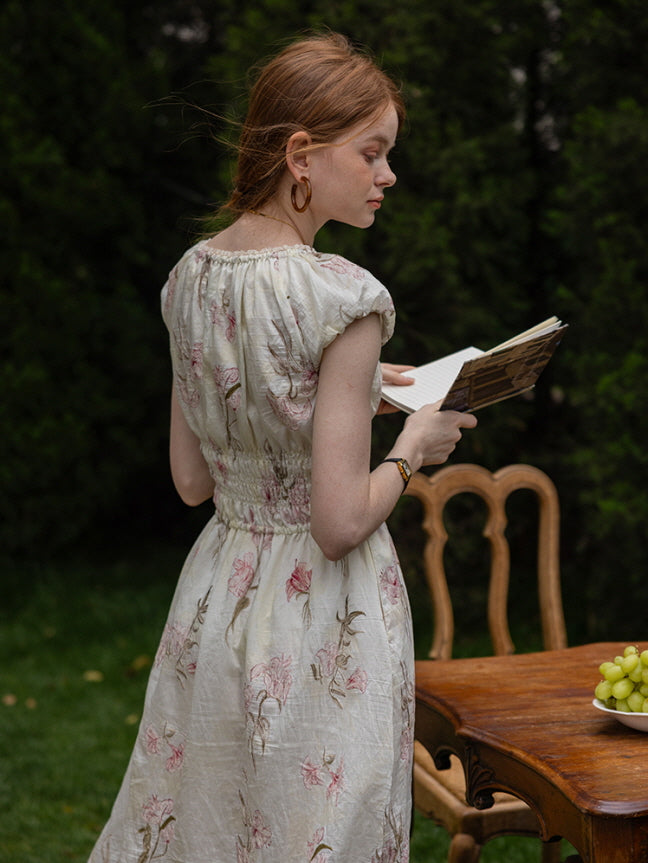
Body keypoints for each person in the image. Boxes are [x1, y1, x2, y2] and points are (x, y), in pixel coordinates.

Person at [88, 31, 476, 863]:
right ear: (302, 154)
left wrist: (362, 390)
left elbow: (192, 479)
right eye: (372, 153)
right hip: (326, 613)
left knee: (215, 827)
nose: (388, 174)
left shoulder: (190, 277)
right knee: (316, 834)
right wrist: (413, 443)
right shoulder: (346, 297)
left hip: (216, 599)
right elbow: (337, 523)